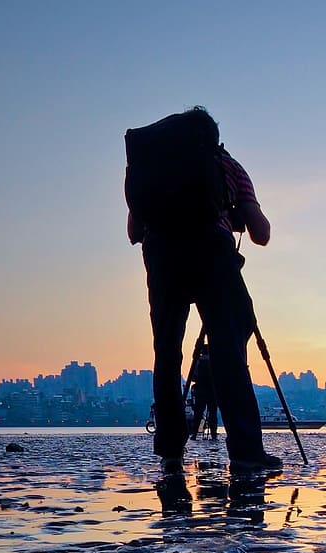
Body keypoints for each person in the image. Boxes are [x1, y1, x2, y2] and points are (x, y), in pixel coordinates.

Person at [126, 107, 282, 477]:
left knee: (166, 353)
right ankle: (246, 452)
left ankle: (169, 452)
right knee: (229, 349)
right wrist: (236, 214)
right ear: (212, 139)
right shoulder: (227, 166)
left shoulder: (150, 170)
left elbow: (134, 232)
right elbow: (261, 233)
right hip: (213, 255)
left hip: (162, 258)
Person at [188, 344, 218, 440]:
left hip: (200, 390)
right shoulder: (214, 361)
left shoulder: (198, 361)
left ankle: (195, 434)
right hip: (212, 391)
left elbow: (193, 376)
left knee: (198, 413)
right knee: (213, 413)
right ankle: (214, 434)